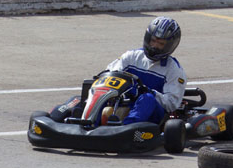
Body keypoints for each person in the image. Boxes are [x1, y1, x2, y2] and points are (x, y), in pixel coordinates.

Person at [50, 16, 186, 125]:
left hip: (151, 112)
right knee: (93, 93)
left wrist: (146, 91)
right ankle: (83, 121)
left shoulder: (174, 70)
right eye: (153, 41)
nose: (154, 46)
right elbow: (111, 74)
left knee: (147, 99)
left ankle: (126, 128)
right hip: (122, 103)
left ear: (170, 45)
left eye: (160, 43)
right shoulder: (132, 56)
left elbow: (171, 104)